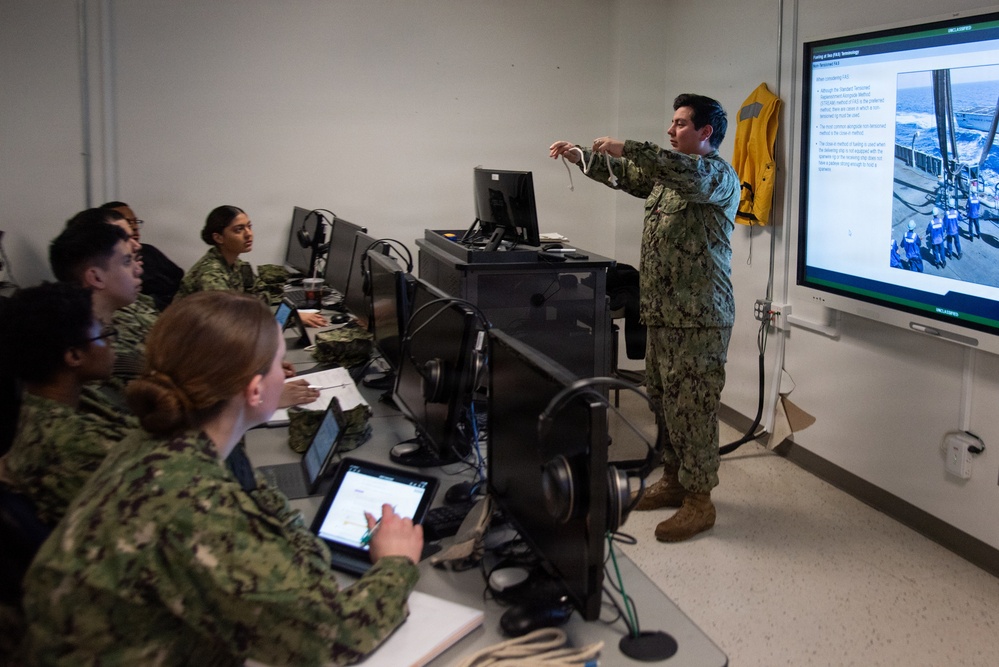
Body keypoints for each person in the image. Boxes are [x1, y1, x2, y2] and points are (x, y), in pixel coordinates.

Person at [21, 291, 423, 665]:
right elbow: (337, 635)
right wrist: (396, 562)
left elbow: (259, 513)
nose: (284, 377)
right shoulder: (189, 500)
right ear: (253, 391)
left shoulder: (156, 439)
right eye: (277, 365)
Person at [550, 93, 739, 542]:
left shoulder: (714, 176)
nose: (671, 131)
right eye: (671, 124)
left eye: (679, 124)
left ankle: (700, 501)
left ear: (705, 132)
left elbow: (666, 167)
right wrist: (582, 158)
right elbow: (631, 178)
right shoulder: (670, 176)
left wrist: (624, 145)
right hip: (665, 314)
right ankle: (674, 480)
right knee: (664, 399)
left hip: (700, 318)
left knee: (693, 407)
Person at [175, 205, 329, 328]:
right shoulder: (211, 274)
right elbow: (230, 323)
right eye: (239, 230)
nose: (249, 234)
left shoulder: (237, 264)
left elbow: (261, 296)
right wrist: (292, 318)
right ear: (218, 237)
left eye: (249, 226)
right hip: (191, 345)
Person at [100, 201, 183, 310]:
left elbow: (179, 277)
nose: (135, 227)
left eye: (135, 221)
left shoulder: (149, 251)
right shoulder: (111, 266)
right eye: (128, 222)